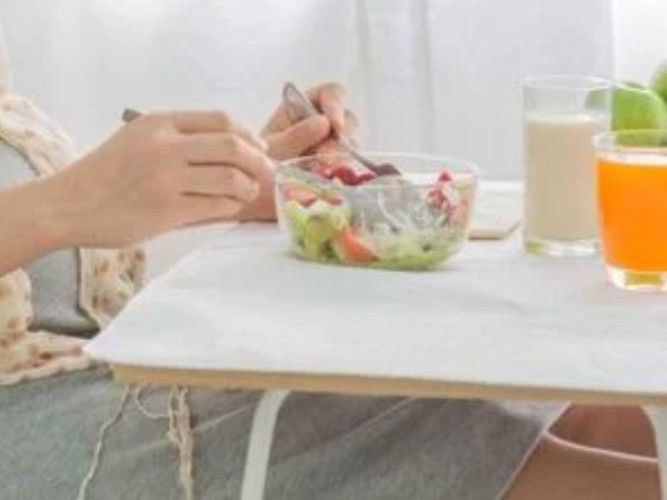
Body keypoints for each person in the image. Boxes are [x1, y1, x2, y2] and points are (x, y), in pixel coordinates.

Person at [0, 37, 660, 500]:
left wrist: (255, 177)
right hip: (39, 426)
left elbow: (62, 248)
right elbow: (63, 213)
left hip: (105, 374)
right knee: (434, 431)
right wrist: (68, 202)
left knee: (528, 394)